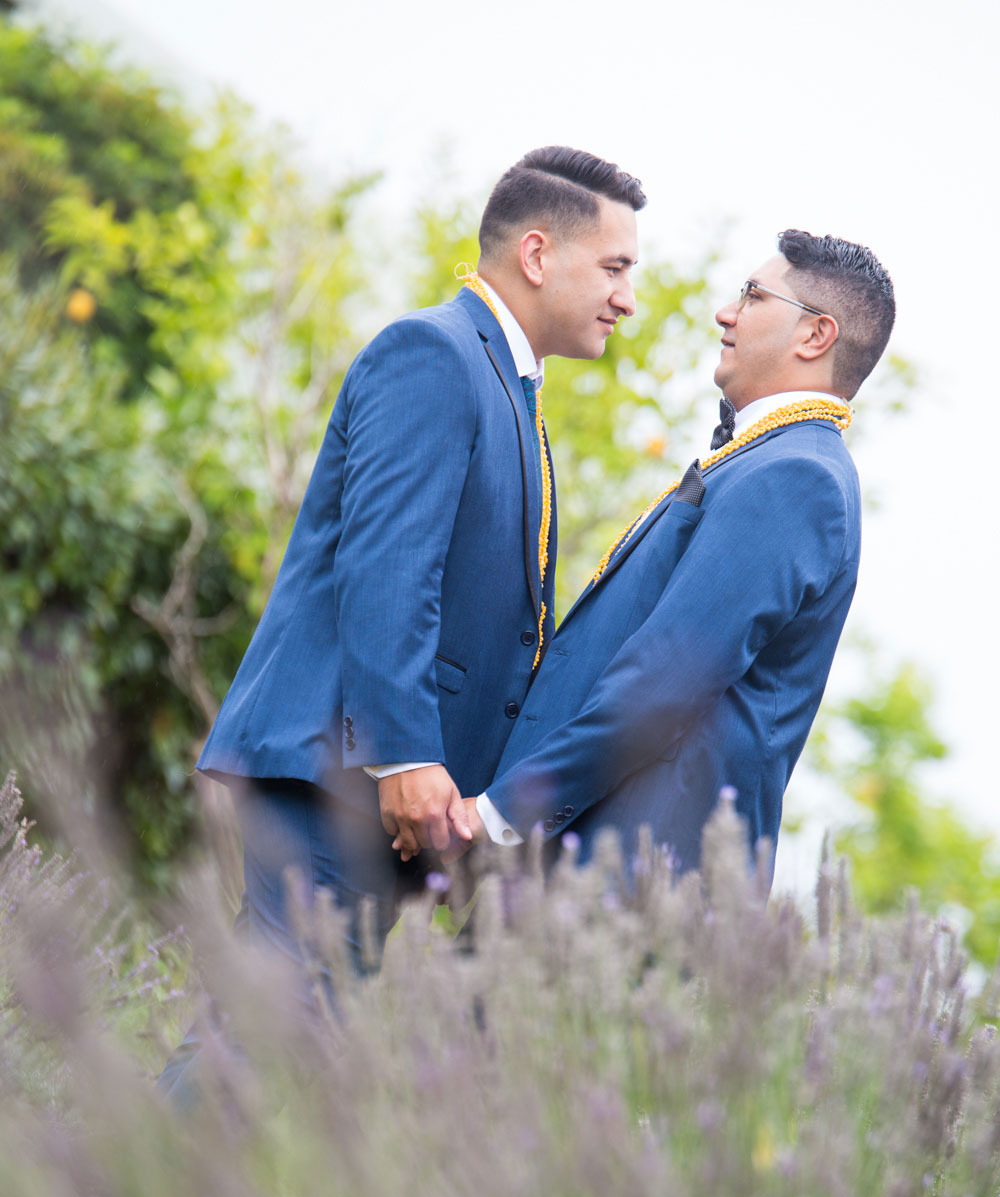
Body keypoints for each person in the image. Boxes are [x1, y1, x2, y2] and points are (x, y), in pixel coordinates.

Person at [193, 145, 645, 977]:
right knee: (276, 1044)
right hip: (334, 777)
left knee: (272, 1055)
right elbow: (388, 570)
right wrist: (404, 757)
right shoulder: (433, 354)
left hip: (385, 806)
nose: (628, 298)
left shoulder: (509, 384)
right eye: (616, 267)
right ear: (537, 254)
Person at [462, 230, 895, 881]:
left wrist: (503, 815)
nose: (726, 312)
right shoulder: (769, 461)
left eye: (752, 296)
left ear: (815, 336)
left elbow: (664, 681)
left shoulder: (795, 476)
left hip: (632, 886)